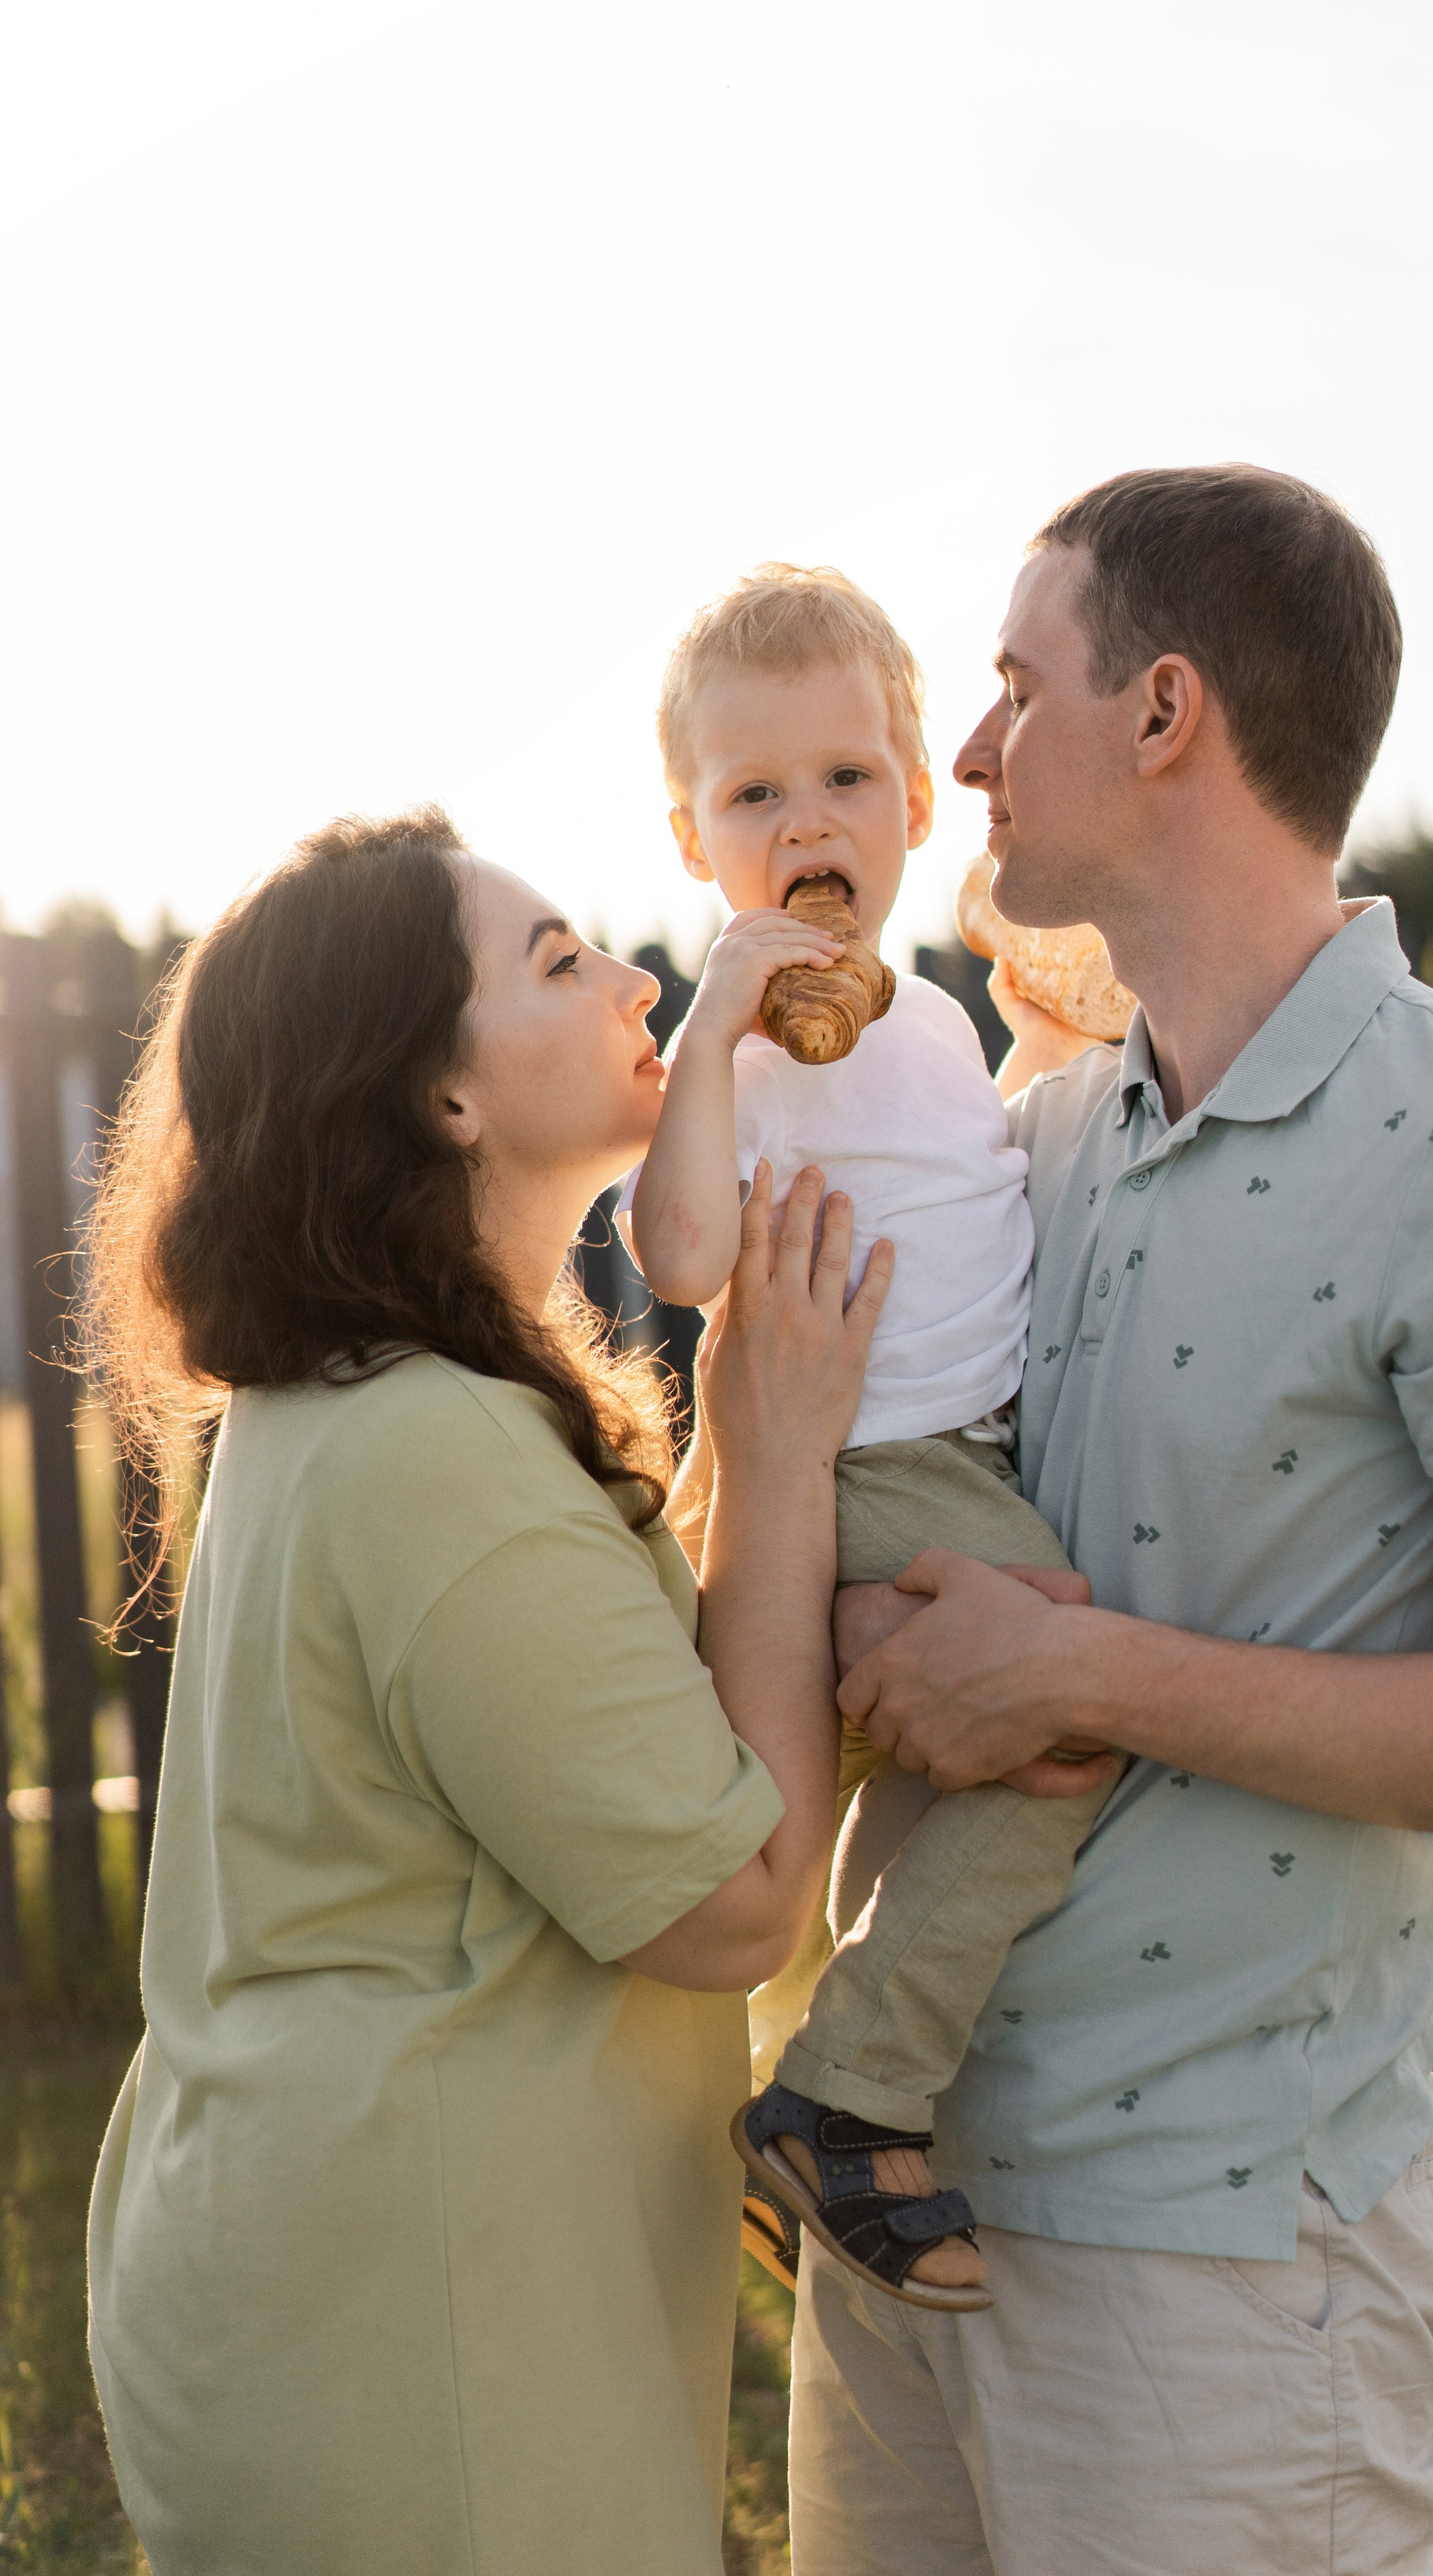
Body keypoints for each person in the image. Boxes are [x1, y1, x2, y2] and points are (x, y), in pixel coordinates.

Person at [803, 467, 1433, 2575]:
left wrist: (1077, 1670)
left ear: (1167, 711)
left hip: (1220, 2268)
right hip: (899, 2216)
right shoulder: (1041, 1136)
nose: (976, 750)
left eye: (1020, 684)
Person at [80, 807, 890, 2576]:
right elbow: (733, 1896)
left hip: (333, 2288)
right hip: (417, 2349)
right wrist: (779, 1457)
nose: (640, 974)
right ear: (441, 1097)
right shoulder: (434, 1449)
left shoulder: (367, 1405)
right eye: (555, 959)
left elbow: (601, 1711)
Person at [624, 565, 1119, 2311]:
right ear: (697, 842)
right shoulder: (741, 1052)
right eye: (752, 794)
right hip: (865, 1460)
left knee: (895, 1797)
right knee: (1069, 1723)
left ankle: (830, 2063)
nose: (803, 820)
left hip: (949, 1448)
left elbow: (973, 1175)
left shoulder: (929, 1026)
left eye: (843, 777)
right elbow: (681, 1261)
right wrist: (706, 1032)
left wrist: (1055, 1024)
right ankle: (850, 2091)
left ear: (917, 802)